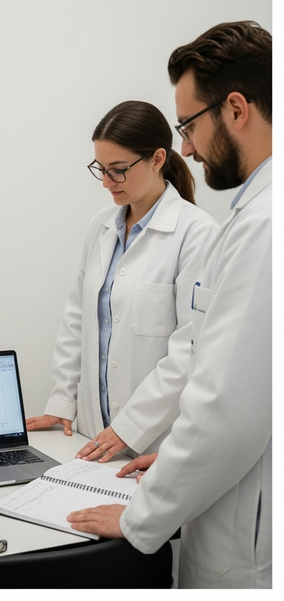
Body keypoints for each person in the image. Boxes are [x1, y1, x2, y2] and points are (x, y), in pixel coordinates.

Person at [68, 21, 272, 589]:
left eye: (188, 125)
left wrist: (143, 514)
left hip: (243, 525)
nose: (187, 146)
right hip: (179, 465)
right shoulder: (253, 216)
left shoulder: (256, 227)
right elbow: (77, 321)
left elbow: (223, 403)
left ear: (236, 109)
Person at [26, 102, 219, 463]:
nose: (105, 182)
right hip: (90, 434)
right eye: (100, 169)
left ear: (158, 158)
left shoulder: (197, 234)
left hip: (155, 443)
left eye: (118, 170)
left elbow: (190, 350)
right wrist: (62, 401)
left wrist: (129, 426)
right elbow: (77, 319)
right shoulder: (101, 226)